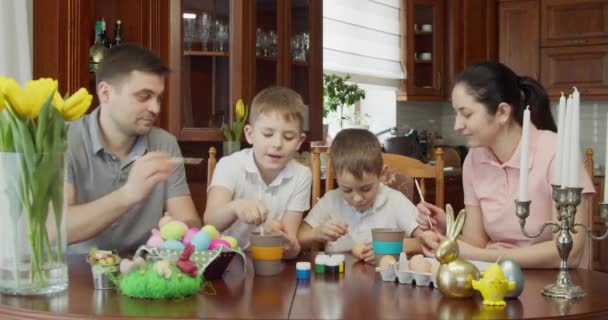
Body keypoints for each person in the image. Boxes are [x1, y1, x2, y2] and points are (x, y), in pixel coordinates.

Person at [416, 61, 595, 268]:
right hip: (493, 279)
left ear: (502, 112)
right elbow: (476, 242)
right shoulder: (474, 159)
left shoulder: (557, 151)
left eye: (467, 114)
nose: (457, 125)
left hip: (551, 284)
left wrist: (481, 256)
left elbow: (569, 252)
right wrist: (447, 231)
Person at [66, 44, 201, 254]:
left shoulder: (165, 143)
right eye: (143, 96)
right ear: (106, 93)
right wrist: (129, 194)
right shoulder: (63, 141)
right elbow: (54, 228)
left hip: (144, 273)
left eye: (159, 98)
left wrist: (180, 230)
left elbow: (190, 222)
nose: (155, 108)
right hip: (75, 275)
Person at [203, 86, 311, 259]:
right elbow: (210, 221)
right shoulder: (229, 165)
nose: (277, 144)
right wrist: (235, 207)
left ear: (300, 141)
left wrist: (290, 245)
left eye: (288, 137)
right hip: (226, 262)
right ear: (250, 134)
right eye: (268, 134)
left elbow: (289, 243)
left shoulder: (302, 175)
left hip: (271, 260)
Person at [298, 128, 423, 263]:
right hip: (339, 279)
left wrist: (391, 247)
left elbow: (425, 242)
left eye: (366, 188)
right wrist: (316, 233)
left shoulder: (395, 201)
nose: (357, 199)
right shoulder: (330, 201)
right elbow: (298, 238)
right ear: (336, 177)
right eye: (346, 190)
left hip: (383, 280)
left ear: (382, 173)